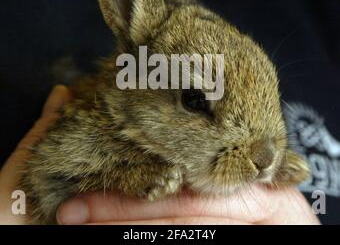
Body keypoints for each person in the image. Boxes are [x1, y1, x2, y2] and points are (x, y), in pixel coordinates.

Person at [0, 85, 319, 225]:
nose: (264, 156)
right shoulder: (97, 123)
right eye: (195, 100)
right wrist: (128, 175)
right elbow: (50, 177)